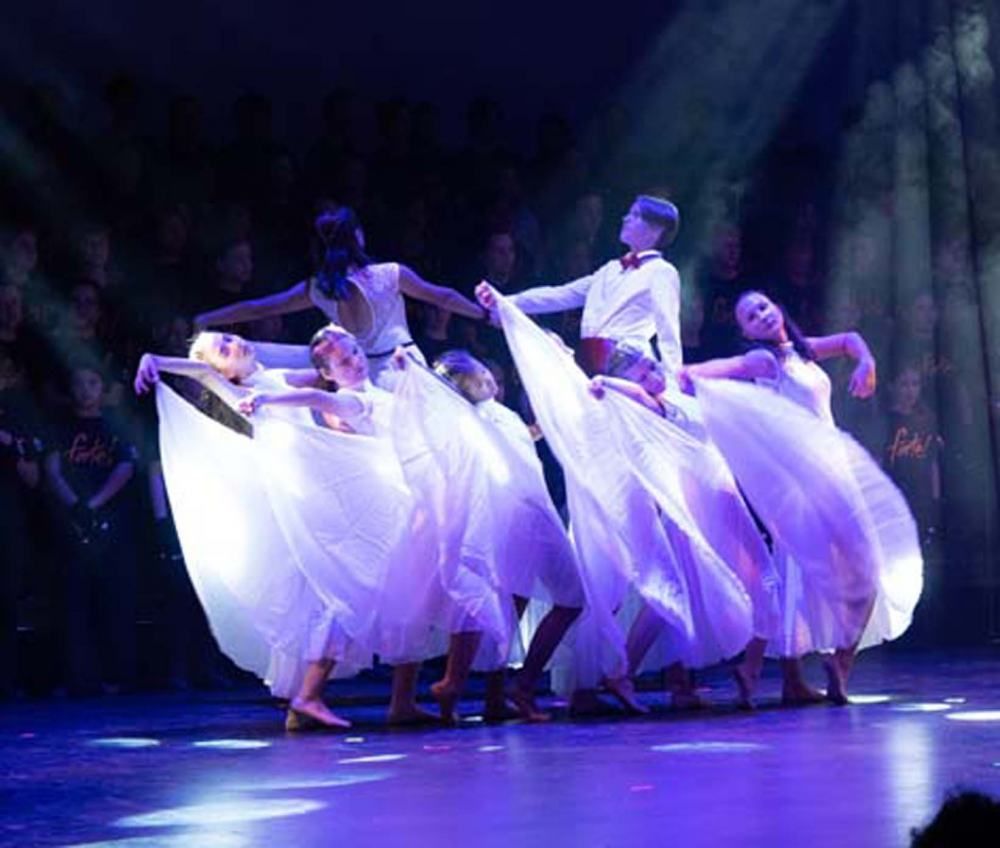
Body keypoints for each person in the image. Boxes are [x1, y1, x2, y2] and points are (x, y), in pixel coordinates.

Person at [134, 330, 432, 728]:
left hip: (323, 479)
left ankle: (340, 700)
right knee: (351, 581)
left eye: (230, 337)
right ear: (222, 370)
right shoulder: (242, 388)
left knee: (374, 577)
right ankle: (311, 697)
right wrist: (157, 359)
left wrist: (344, 358)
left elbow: (322, 379)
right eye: (224, 349)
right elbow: (207, 375)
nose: (234, 343)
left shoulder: (272, 378)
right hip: (305, 487)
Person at [236, 326, 514, 725]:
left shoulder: (379, 390)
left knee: (414, 603)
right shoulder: (351, 399)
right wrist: (268, 397)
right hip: (389, 514)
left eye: (354, 351)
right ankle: (309, 695)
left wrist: (409, 369)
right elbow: (317, 397)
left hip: (410, 506)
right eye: (344, 360)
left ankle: (400, 702)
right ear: (330, 372)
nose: (355, 360)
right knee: (364, 597)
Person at [680, 290, 923, 703]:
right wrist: (686, 372)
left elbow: (849, 339)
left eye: (763, 306)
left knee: (797, 569)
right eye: (750, 316)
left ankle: (781, 676)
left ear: (778, 307)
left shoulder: (802, 350)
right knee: (860, 567)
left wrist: (866, 362)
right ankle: (837, 666)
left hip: (824, 471)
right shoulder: (765, 360)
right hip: (811, 475)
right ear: (745, 330)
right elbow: (725, 367)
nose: (761, 314)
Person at [589, 342, 777, 709]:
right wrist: (605, 382)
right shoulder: (655, 407)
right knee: (764, 579)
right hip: (705, 506)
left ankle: (628, 674)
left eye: (650, 368)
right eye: (641, 377)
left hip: (712, 501)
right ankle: (747, 670)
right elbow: (632, 393)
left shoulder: (675, 393)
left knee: (678, 595)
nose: (651, 377)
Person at [433, 349, 584, 720]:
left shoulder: (498, 414)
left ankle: (499, 692)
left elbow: (521, 441)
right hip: (516, 515)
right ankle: (506, 686)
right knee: (541, 598)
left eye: (488, 373)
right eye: (479, 378)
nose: (489, 381)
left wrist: (545, 424)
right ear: (461, 388)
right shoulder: (472, 419)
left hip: (525, 513)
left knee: (517, 603)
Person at [193, 206, 487, 386]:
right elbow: (443, 297)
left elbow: (259, 309)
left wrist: (207, 318)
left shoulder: (320, 289)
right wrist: (484, 313)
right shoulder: (390, 275)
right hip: (406, 368)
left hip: (364, 377)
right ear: (358, 236)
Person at [477, 194, 681, 376]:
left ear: (655, 230)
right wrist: (503, 300)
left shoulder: (661, 271)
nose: (625, 218)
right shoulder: (610, 269)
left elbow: (668, 328)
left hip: (629, 363)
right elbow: (560, 295)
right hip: (590, 359)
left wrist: (674, 378)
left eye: (635, 215)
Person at [45, 360, 138, 695]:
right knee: (73, 601)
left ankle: (116, 676)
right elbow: (52, 469)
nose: (85, 390)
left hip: (110, 524)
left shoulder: (116, 426)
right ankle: (76, 678)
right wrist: (75, 507)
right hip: (72, 523)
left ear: (103, 389)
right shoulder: (59, 427)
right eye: (78, 384)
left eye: (92, 383)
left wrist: (94, 505)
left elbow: (125, 468)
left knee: (113, 600)